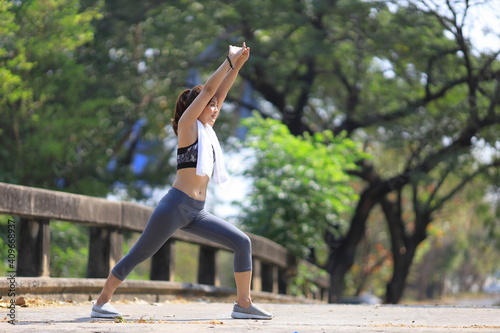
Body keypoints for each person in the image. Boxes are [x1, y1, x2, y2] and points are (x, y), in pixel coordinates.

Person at [90, 42, 273, 320]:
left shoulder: (207, 128)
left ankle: (243, 304)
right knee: (139, 254)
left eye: (214, 106)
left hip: (198, 212)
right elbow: (211, 90)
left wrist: (239, 66)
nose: (214, 108)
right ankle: (101, 302)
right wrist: (228, 60)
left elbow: (220, 93)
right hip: (175, 207)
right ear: (193, 108)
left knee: (242, 242)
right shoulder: (188, 127)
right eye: (209, 105)